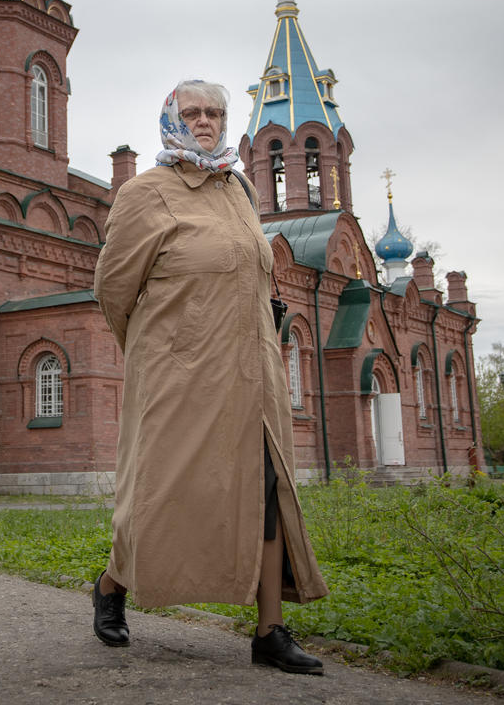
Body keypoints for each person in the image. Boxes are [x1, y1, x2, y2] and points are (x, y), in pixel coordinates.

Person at [90, 79, 329, 676]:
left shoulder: (239, 190)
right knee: (163, 490)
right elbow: (113, 290)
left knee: (268, 489)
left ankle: (270, 630)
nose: (206, 121)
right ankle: (113, 584)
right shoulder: (146, 193)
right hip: (179, 372)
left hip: (254, 372)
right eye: (193, 112)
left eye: (216, 112)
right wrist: (157, 353)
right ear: (171, 117)